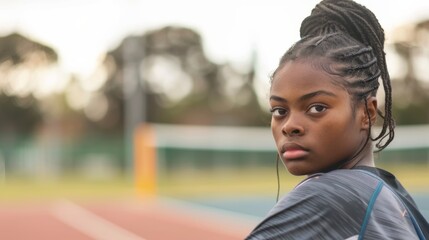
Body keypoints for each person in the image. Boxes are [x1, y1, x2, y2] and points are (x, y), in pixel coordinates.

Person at [246, 0, 429, 239]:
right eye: (279, 111)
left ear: (367, 113)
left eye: (317, 107)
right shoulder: (392, 194)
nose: (289, 126)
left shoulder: (329, 196)